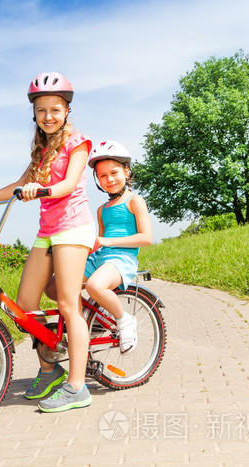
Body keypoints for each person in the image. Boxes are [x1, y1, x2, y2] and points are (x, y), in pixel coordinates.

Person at [0, 72, 96, 413]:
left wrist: (42, 190)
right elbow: (18, 184)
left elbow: (68, 184)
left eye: (55, 109)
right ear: (34, 115)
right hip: (47, 231)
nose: (48, 116)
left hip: (73, 228)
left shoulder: (78, 142)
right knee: (23, 306)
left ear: (66, 110)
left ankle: (78, 387)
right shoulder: (41, 150)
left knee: (69, 305)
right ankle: (51, 367)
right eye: (41, 111)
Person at [46, 140, 152, 353]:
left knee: (95, 286)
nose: (109, 179)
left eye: (114, 173)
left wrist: (107, 241)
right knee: (54, 286)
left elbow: (146, 237)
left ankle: (124, 320)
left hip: (122, 259)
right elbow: (98, 242)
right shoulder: (101, 209)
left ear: (126, 171)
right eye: (103, 176)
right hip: (100, 258)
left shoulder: (135, 201)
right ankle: (92, 317)